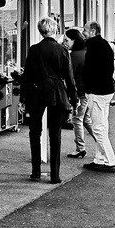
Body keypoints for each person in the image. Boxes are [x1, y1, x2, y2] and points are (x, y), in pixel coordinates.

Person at [20, 17, 77, 183]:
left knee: (34, 132)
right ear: (55, 30)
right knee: (55, 134)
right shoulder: (62, 50)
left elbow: (27, 75)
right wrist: (74, 98)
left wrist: (23, 97)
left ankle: (36, 170)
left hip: (37, 93)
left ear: (40, 31)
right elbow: (69, 77)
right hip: (57, 93)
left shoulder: (34, 50)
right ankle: (55, 175)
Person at [80, 20, 115, 172]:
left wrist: (87, 88)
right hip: (105, 90)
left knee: (98, 128)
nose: (83, 32)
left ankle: (110, 160)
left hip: (98, 92)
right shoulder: (104, 45)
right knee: (102, 125)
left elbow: (90, 70)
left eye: (85, 30)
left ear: (93, 31)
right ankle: (99, 159)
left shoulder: (94, 47)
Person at [64, 28, 89, 159]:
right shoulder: (86, 52)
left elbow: (70, 75)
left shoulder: (74, 56)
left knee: (77, 119)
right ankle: (102, 143)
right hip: (88, 91)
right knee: (86, 119)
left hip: (80, 91)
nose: (65, 42)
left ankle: (80, 148)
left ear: (74, 40)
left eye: (67, 40)